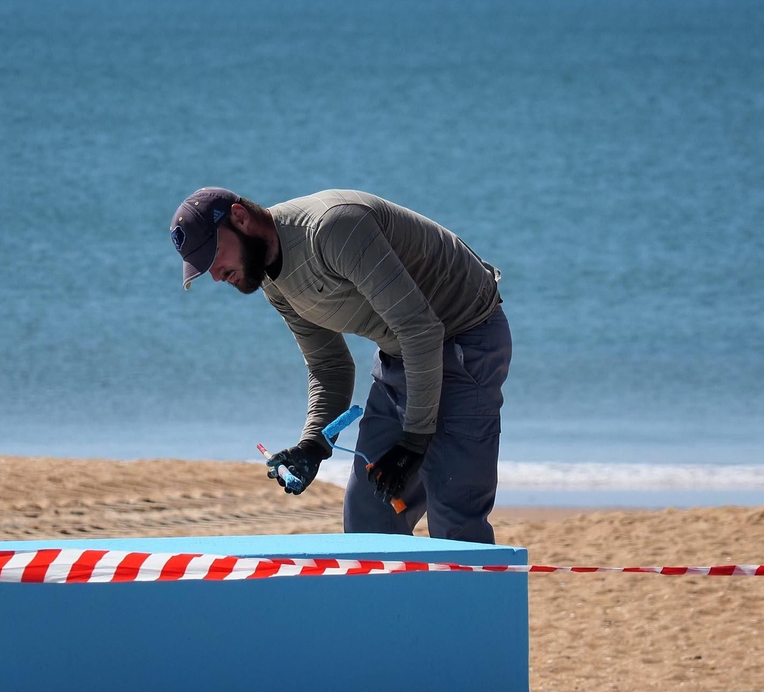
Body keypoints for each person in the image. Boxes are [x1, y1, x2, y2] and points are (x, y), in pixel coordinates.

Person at [170, 187, 510, 542]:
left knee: (456, 521)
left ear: (240, 218)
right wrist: (313, 446)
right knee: (368, 517)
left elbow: (420, 329)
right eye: (203, 266)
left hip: (466, 337)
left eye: (214, 255)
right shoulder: (273, 280)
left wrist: (414, 442)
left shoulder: (332, 228)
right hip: (402, 355)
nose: (215, 275)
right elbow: (329, 366)